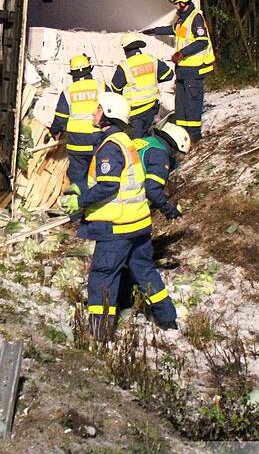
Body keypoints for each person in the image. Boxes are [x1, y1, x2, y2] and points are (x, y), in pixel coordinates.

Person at [61, 92, 177, 340]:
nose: (93, 112)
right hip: (138, 224)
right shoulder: (124, 141)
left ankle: (99, 334)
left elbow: (108, 186)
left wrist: (79, 201)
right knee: (145, 271)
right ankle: (168, 318)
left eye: (98, 109)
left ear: (108, 115)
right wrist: (81, 187)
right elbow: (116, 180)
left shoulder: (110, 147)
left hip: (117, 227)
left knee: (103, 277)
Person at [142, 0, 216, 142]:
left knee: (192, 104)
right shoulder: (183, 19)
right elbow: (174, 29)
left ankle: (194, 136)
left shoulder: (196, 18)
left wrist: (181, 53)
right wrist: (154, 31)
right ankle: (182, 134)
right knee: (181, 105)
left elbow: (202, 41)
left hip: (194, 70)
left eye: (176, 3)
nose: (175, 6)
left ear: (183, 2)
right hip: (183, 70)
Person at [49, 54, 104, 193]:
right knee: (99, 175)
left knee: (78, 178)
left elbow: (61, 118)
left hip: (77, 142)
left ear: (73, 74)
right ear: (89, 70)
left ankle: (78, 203)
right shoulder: (101, 86)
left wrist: (53, 131)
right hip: (98, 139)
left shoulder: (68, 91)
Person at [109, 33, 174, 140]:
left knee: (137, 142)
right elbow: (169, 75)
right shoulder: (151, 59)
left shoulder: (125, 66)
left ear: (125, 49)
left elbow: (116, 88)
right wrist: (153, 79)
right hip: (151, 109)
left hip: (135, 113)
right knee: (148, 139)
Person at [132, 120, 192, 221]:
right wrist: (169, 210)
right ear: (174, 148)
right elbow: (152, 189)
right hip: (128, 206)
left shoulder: (146, 142)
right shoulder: (160, 155)